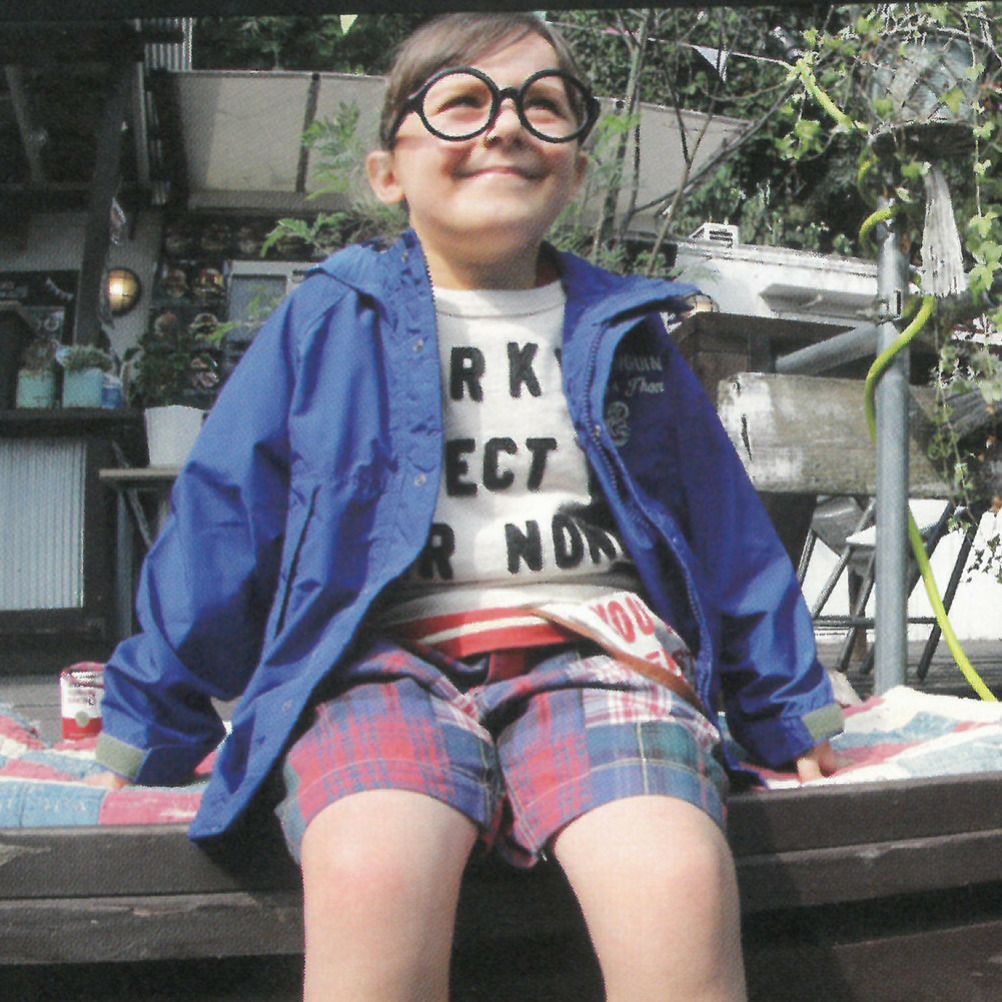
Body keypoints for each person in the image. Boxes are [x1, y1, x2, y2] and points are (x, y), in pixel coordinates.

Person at [89, 12, 842, 1001]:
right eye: (461, 103)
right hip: (379, 669)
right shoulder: (330, 317)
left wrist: (785, 704)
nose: (505, 125)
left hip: (600, 661)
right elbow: (227, 517)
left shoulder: (626, 333)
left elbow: (725, 527)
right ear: (388, 173)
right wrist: (152, 718)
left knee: (674, 876)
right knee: (369, 867)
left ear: (575, 170)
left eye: (544, 105)